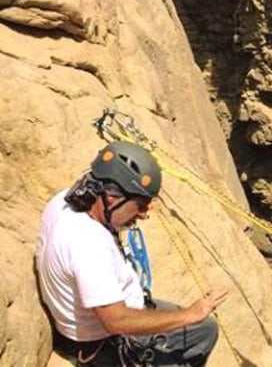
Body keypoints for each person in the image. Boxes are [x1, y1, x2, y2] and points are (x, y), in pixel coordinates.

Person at [36, 141, 228, 366]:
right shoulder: (88, 245)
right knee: (197, 327)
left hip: (116, 313)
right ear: (111, 198)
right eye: (141, 205)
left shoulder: (64, 201)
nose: (145, 214)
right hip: (104, 341)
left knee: (205, 330)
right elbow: (116, 321)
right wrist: (190, 314)